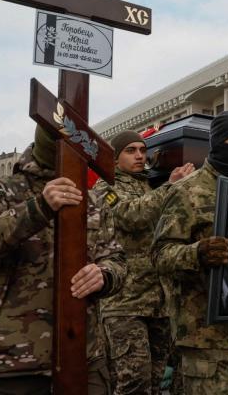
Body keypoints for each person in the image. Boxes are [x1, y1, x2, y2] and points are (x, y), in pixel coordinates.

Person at [0, 129, 126, 394]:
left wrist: (104, 275)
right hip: (13, 361)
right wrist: (38, 208)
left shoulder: (91, 200)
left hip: (84, 357)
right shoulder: (1, 190)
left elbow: (117, 259)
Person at [151, 110, 228, 394]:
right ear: (220, 140)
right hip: (204, 336)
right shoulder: (187, 191)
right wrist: (197, 253)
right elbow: (160, 254)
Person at [93, 129, 193, 395]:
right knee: (132, 383)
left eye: (142, 149)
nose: (139, 155)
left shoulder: (149, 185)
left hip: (157, 303)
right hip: (124, 303)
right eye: (131, 150)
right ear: (115, 158)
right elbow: (129, 215)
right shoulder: (106, 186)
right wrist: (171, 187)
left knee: (156, 382)